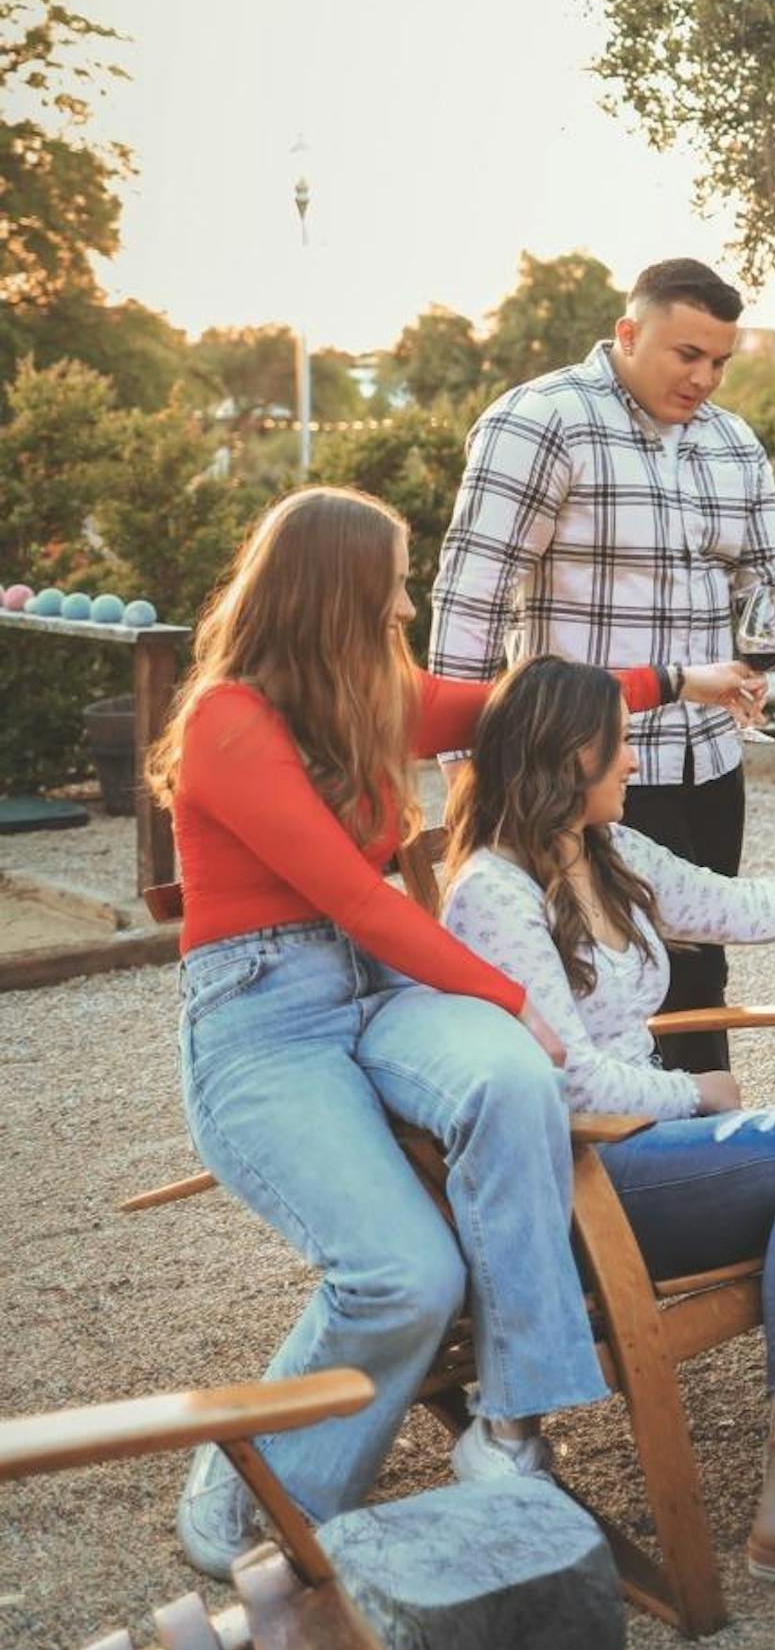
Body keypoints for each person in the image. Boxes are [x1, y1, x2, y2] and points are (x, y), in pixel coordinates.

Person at [148, 485, 645, 1581]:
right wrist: (511, 998)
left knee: (513, 1084)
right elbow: (358, 898)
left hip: (379, 988)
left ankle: (509, 1428)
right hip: (263, 1019)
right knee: (405, 1275)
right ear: (334, 593)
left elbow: (517, 709)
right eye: (394, 585)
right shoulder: (228, 720)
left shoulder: (364, 698)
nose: (408, 605)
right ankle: (255, 1486)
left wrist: (676, 684)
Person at [441, 655, 775, 1600]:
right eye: (620, 742)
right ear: (570, 755)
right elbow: (566, 1085)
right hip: (579, 1182)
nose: (634, 760)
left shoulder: (605, 853)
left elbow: (747, 907)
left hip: (648, 1155)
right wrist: (693, 1094)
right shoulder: (492, 894)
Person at [429, 256, 775, 1076]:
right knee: (591, 983)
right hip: (577, 770)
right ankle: (618, 1147)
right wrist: (469, 775)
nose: (704, 378)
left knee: (700, 970)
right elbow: (470, 603)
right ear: (628, 333)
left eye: (720, 362)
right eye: (687, 355)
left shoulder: (732, 442)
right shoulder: (541, 421)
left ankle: (711, 1138)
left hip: (707, 758)